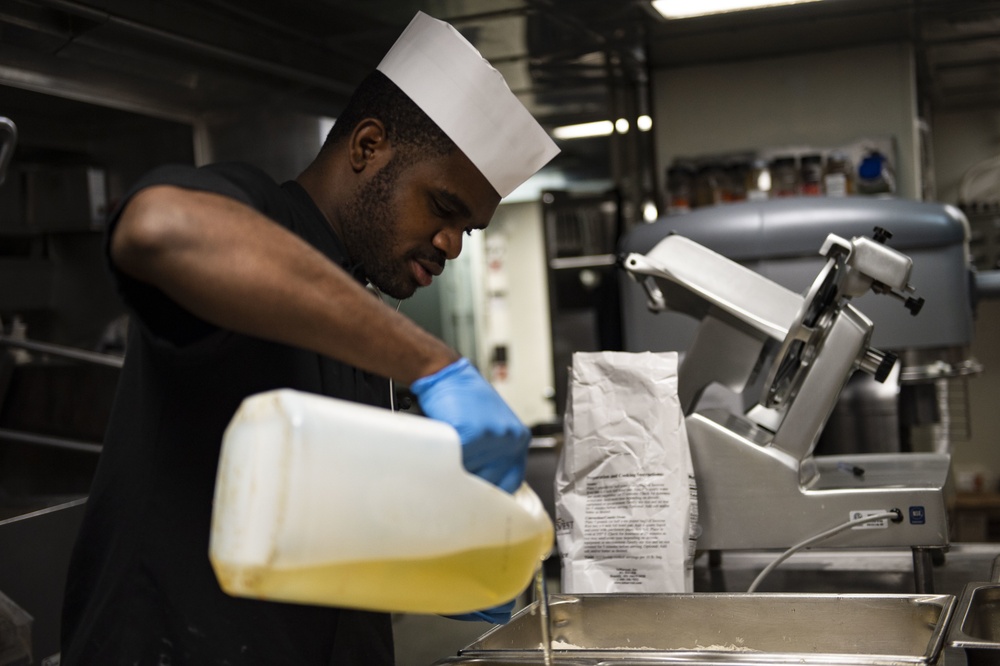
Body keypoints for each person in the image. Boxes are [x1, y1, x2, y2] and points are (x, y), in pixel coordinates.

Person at [59, 11, 559, 666]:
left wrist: (442, 560)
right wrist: (435, 365)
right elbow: (159, 228)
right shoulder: (260, 217)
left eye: (469, 227)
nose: (453, 245)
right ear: (367, 146)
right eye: (443, 207)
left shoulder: (356, 307)